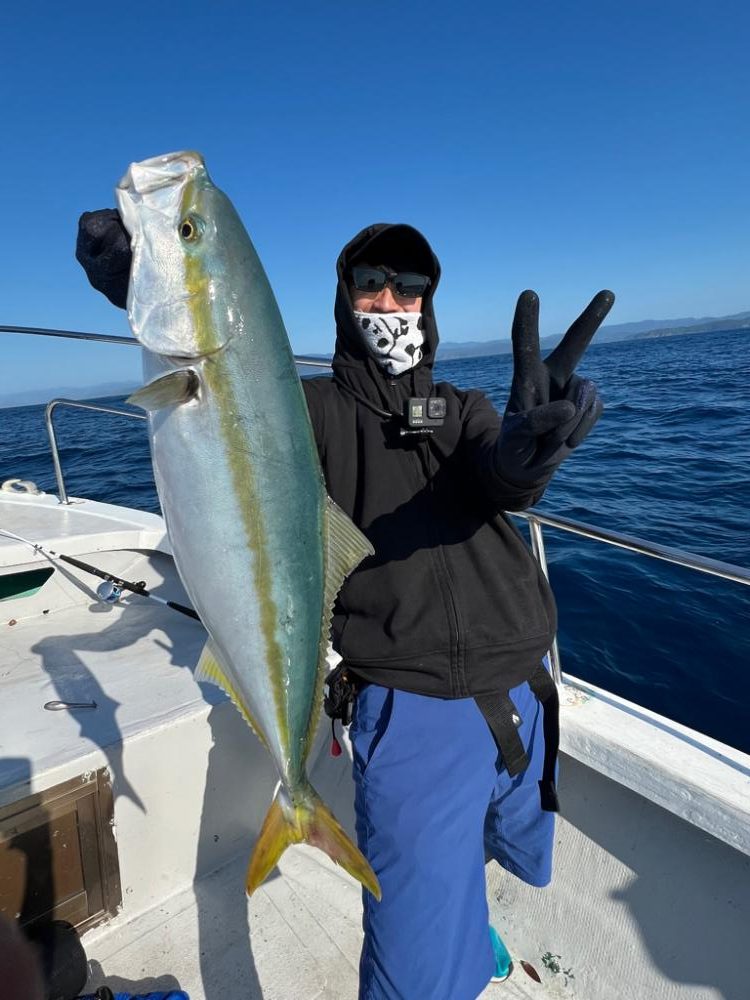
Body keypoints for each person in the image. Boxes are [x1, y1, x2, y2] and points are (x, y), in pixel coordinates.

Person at [76, 213, 613, 1000]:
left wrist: (529, 456)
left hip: (526, 695)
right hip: (415, 708)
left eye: (410, 286)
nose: (390, 300)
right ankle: (445, 935)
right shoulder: (309, 414)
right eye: (371, 283)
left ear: (428, 303)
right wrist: (144, 285)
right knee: (411, 977)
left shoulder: (462, 407)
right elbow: (235, 410)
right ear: (344, 297)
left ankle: (469, 933)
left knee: (502, 850)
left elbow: (501, 475)